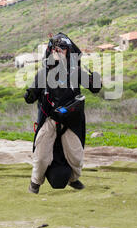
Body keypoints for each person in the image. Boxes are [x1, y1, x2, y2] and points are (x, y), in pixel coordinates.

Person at [24, 32, 102, 194]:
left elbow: (95, 89)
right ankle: (35, 183)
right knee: (41, 153)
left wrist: (95, 79)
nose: (57, 50)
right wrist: (30, 94)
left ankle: (73, 179)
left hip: (71, 120)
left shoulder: (77, 72)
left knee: (75, 155)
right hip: (49, 120)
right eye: (55, 48)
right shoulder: (43, 74)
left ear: (69, 51)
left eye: (62, 48)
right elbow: (30, 98)